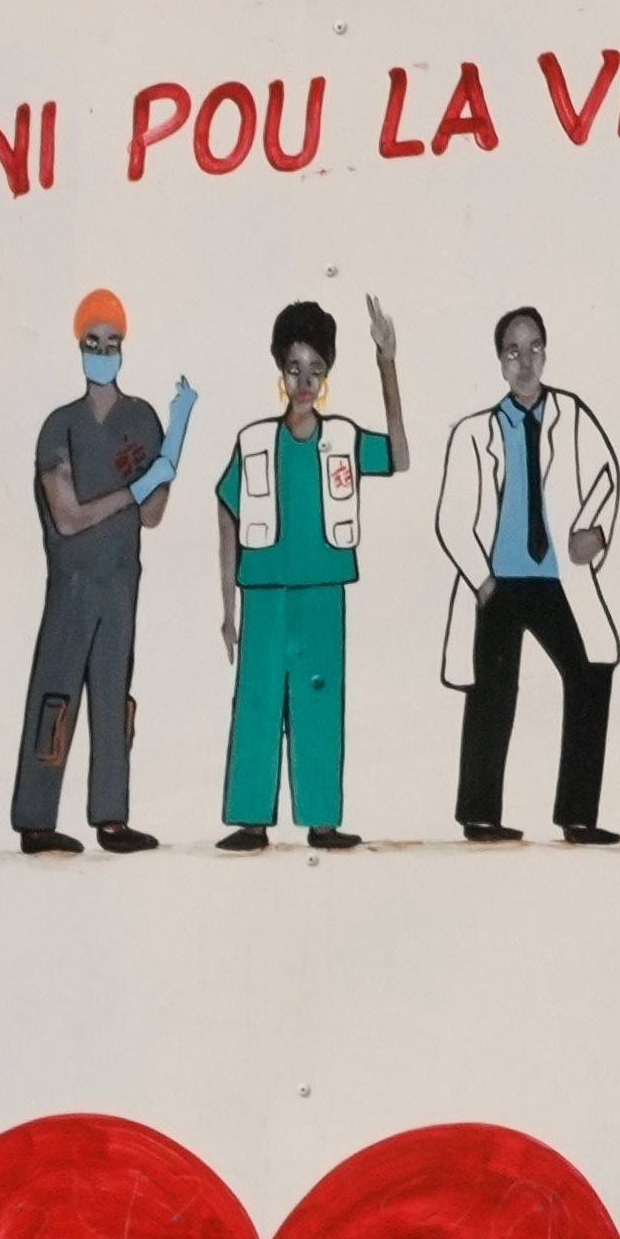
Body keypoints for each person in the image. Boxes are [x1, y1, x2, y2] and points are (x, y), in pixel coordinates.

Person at [214, 292, 405, 851]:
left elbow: (398, 453)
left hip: (324, 591)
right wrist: (226, 607)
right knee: (258, 703)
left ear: (327, 376)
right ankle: (251, 819)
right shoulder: (254, 442)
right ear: (281, 368)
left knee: (320, 702)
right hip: (266, 593)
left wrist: (386, 362)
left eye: (315, 370)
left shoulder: (342, 437)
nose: (304, 381)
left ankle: (322, 819)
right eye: (295, 368)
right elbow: (226, 511)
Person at [436, 300, 620, 846]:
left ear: (546, 352)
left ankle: (578, 816)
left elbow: (608, 474)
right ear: (500, 360)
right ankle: (480, 815)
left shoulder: (571, 416)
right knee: (493, 692)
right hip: (496, 582)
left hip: (553, 580)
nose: (525, 361)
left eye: (534, 347)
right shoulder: (476, 431)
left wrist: (597, 530)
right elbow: (451, 519)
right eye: (513, 351)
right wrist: (483, 580)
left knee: (591, 671)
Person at [11, 290, 190, 857]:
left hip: (120, 587)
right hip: (71, 589)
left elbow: (155, 516)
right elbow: (66, 518)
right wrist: (137, 487)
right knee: (55, 695)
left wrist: (172, 454)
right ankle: (36, 820)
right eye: (94, 343)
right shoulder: (58, 426)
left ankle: (111, 819)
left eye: (113, 343)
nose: (104, 352)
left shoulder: (141, 420)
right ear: (79, 346)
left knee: (114, 700)